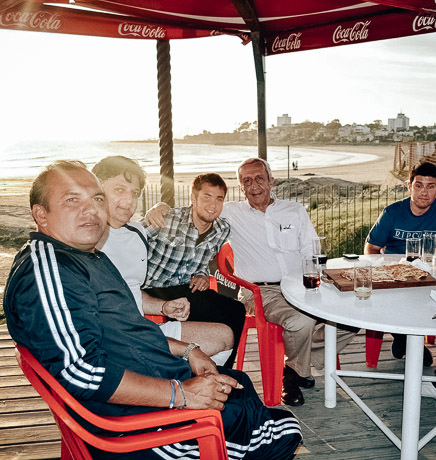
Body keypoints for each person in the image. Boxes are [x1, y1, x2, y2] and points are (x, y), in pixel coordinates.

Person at [3, 160, 302, 460]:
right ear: (41, 214)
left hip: (149, 371)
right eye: (72, 200)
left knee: (242, 385)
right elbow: (84, 374)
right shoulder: (49, 270)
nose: (91, 210)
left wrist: (187, 351)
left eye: (96, 198)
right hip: (135, 425)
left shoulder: (85, 256)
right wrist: (182, 393)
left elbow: (129, 325)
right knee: (273, 431)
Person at [146, 158, 358, 407]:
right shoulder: (230, 212)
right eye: (246, 180)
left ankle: (295, 364)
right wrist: (159, 207)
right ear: (241, 187)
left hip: (303, 284)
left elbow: (311, 250)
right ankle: (294, 373)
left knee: (350, 318)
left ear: (271, 181)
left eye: (259, 178)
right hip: (263, 290)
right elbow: (200, 205)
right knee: (301, 321)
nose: (254, 185)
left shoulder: (294, 210)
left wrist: (317, 280)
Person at [92, 156, 233, 365]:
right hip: (117, 344)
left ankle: (196, 381)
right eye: (119, 189)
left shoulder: (134, 234)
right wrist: (159, 208)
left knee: (225, 334)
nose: (129, 201)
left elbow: (129, 290)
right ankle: (188, 384)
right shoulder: (83, 240)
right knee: (232, 385)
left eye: (135, 193)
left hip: (144, 325)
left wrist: (163, 307)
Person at [141, 173, 246, 369]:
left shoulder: (221, 230)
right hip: (154, 287)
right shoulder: (169, 219)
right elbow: (132, 238)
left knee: (236, 310)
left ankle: (223, 371)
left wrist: (203, 275)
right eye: (206, 197)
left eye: (219, 199)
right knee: (197, 311)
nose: (212, 205)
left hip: (187, 287)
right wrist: (153, 210)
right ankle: (190, 368)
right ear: (193, 198)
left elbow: (205, 259)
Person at [364, 161, 436, 368]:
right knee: (383, 302)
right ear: (409, 186)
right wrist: (381, 271)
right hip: (396, 278)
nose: (424, 192)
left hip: (432, 278)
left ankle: (405, 341)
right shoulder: (392, 213)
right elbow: (371, 248)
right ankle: (405, 341)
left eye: (430, 186)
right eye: (418, 185)